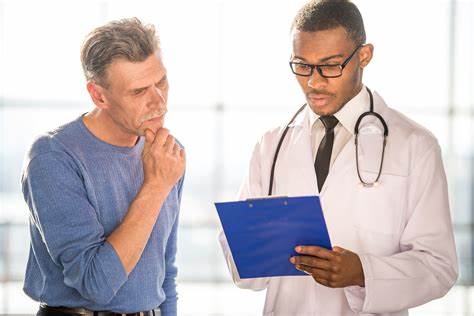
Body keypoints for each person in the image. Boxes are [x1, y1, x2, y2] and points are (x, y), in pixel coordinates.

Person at [219, 0, 458, 315]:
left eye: (330, 65)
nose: (314, 82)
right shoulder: (272, 144)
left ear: (364, 56)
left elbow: (439, 267)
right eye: (302, 66)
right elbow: (246, 270)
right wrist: (246, 248)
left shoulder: (415, 145)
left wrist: (362, 272)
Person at [21, 18, 185, 316]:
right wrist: (156, 186)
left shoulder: (167, 155)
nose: (158, 100)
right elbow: (94, 283)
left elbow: (165, 271)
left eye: (161, 82)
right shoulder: (52, 157)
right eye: (138, 92)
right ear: (99, 95)